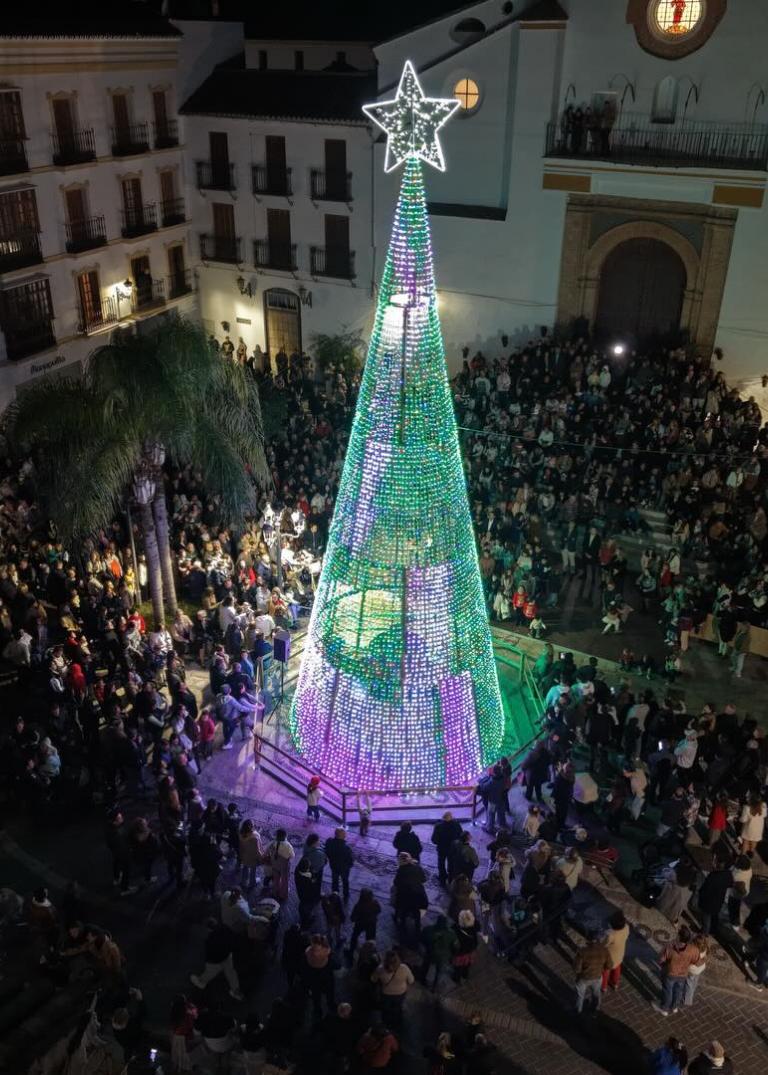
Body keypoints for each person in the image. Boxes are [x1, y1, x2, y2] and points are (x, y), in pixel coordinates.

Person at [190, 917, 243, 1000]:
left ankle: (201, 982)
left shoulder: (210, 939)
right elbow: (233, 938)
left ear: (208, 929)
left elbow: (209, 953)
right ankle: (236, 992)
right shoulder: (225, 927)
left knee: (209, 973)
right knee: (232, 973)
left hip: (215, 961)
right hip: (227, 955)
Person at [654, 926, 700, 1015]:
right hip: (683, 974)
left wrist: (664, 964)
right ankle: (674, 1007)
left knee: (668, 991)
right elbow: (696, 961)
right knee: (678, 991)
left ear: (679, 937)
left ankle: (664, 1008)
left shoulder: (670, 947)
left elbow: (661, 960)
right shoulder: (693, 949)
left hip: (670, 973)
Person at [371, 949, 414, 1028]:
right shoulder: (404, 968)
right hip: (400, 993)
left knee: (385, 1009)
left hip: (386, 994)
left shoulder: (380, 969)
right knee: (397, 1008)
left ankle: (385, 1025)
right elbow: (411, 981)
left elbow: (373, 979)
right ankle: (396, 1024)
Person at [573, 930, 612, 1014]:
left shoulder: (582, 951)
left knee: (580, 996)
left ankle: (578, 1012)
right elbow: (609, 965)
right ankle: (595, 1011)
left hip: (584, 978)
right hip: (597, 976)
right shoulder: (604, 950)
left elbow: (577, 969)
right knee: (596, 994)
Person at [421, 913, 458, 990]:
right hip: (443, 957)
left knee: (426, 966)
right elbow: (456, 947)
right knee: (439, 971)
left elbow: (422, 939)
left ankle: (422, 980)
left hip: (430, 954)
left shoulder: (428, 930)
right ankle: (435, 987)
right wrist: (452, 956)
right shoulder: (451, 934)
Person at [431, 812, 463, 886]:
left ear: (443, 818)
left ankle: (442, 878)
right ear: (451, 817)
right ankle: (451, 878)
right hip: (452, 849)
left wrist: (439, 842)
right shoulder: (456, 825)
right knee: (451, 864)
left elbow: (434, 840)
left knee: (441, 863)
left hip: (441, 849)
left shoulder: (438, 826)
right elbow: (461, 836)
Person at [601, 910, 629, 992]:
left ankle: (604, 987)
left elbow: (604, 944)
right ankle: (615, 983)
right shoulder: (626, 927)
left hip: (609, 957)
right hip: (620, 954)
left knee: (605, 971)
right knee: (617, 968)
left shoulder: (611, 935)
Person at [264, 828, 294, 901]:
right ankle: (282, 894)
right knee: (284, 880)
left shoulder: (272, 843)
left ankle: (275, 892)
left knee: (276, 879)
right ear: (285, 836)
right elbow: (292, 855)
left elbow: (266, 851)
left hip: (275, 864)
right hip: (284, 866)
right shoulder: (287, 845)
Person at [348, 888, 381, 953]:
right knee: (370, 940)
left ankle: (351, 951)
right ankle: (370, 953)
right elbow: (379, 910)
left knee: (354, 937)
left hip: (360, 923)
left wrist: (355, 919)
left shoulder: (358, 906)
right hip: (371, 923)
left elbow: (352, 917)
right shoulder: (375, 903)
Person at [325, 827, 354, 900]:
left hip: (333, 866)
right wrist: (349, 866)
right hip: (344, 869)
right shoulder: (346, 848)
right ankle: (346, 894)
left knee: (335, 880)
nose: (345, 835)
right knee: (345, 881)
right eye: (345, 834)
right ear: (343, 836)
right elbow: (350, 861)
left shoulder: (329, 842)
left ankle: (335, 893)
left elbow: (327, 852)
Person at [452, 909, 480, 983]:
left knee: (458, 968)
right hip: (470, 951)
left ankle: (457, 979)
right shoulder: (474, 927)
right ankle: (465, 976)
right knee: (467, 965)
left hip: (460, 953)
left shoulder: (457, 930)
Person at [684, 934, 709, 1007]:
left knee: (689, 984)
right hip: (700, 969)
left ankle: (687, 1000)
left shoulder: (694, 952)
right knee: (694, 981)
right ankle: (692, 990)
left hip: (692, 971)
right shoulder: (705, 948)